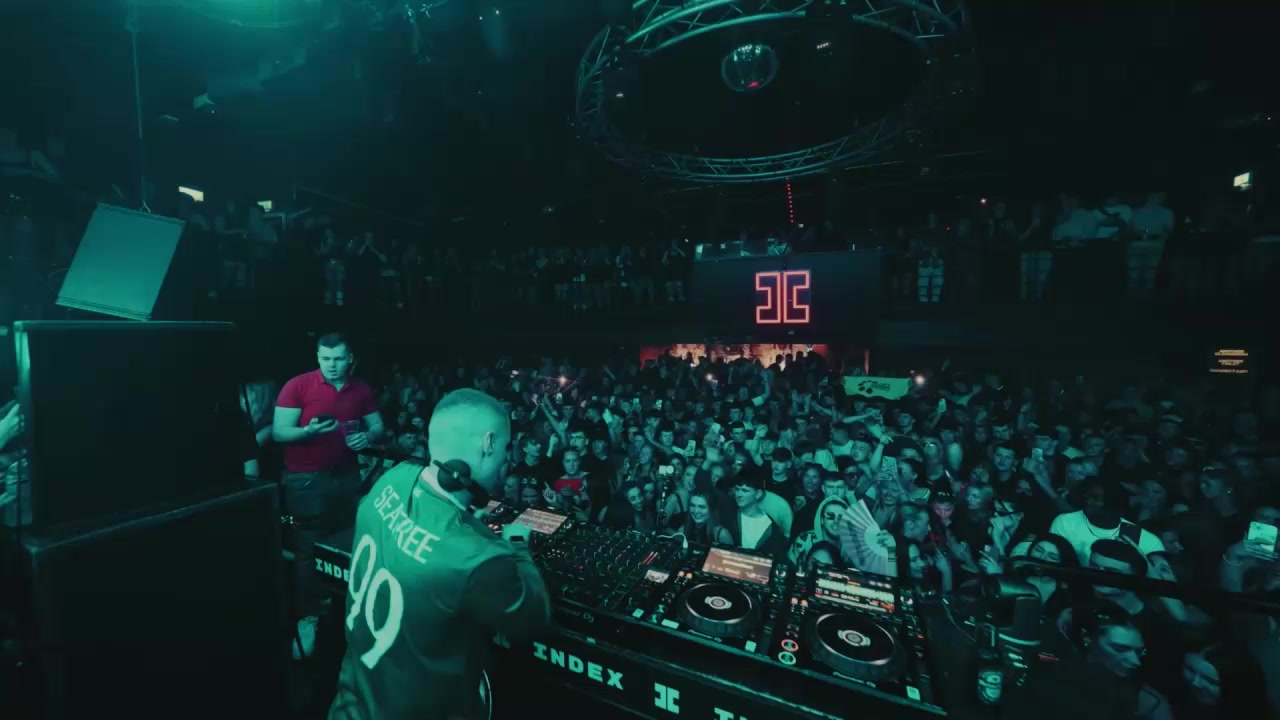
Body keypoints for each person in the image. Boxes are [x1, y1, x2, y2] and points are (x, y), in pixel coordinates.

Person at [329, 388, 550, 720]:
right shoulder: (477, 557)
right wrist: (517, 546)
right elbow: (533, 619)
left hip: (351, 703)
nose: (506, 460)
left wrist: (466, 521)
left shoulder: (391, 479)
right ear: (488, 443)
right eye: (505, 448)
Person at [273, 333, 385, 658]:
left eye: (337, 359)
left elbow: (378, 427)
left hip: (347, 477)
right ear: (318, 357)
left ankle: (345, 611)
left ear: (350, 359)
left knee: (346, 542)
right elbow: (279, 432)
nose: (331, 365)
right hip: (307, 479)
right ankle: (309, 617)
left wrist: (368, 436)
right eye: (325, 359)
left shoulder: (361, 389)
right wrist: (307, 432)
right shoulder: (298, 385)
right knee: (308, 547)